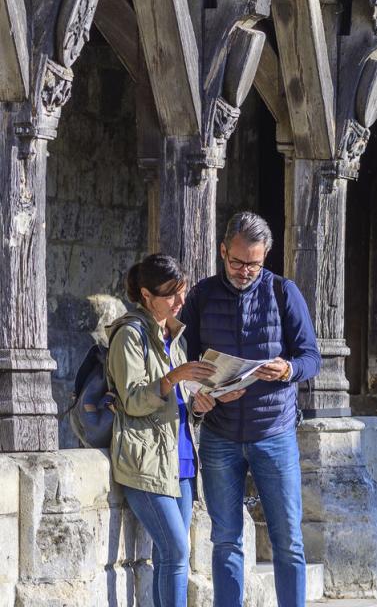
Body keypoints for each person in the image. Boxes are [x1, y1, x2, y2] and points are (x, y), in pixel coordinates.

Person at [181, 211, 321, 607]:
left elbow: (312, 356)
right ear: (223, 251)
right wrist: (199, 394)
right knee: (225, 539)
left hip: (274, 433)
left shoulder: (282, 292)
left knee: (288, 540)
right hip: (219, 436)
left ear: (266, 257)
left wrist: (290, 368)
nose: (245, 271)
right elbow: (181, 362)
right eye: (237, 262)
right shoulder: (202, 296)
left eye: (254, 264)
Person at [106, 253, 236, 607]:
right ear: (146, 294)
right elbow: (132, 401)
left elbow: (177, 404)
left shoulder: (173, 336)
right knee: (176, 550)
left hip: (180, 459)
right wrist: (173, 377)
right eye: (171, 294)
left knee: (173, 556)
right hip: (145, 461)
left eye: (183, 291)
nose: (180, 301)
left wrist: (199, 404)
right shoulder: (129, 335)